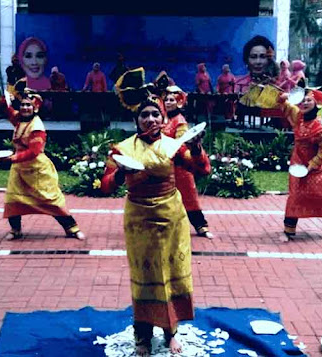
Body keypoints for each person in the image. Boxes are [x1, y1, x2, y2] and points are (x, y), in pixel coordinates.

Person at [102, 68, 211, 356]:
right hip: (139, 220)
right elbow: (104, 186)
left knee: (172, 272)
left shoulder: (174, 146)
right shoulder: (122, 148)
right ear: (135, 120)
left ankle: (171, 330)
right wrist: (118, 174)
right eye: (145, 115)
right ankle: (142, 334)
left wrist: (198, 149)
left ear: (163, 118)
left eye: (155, 115)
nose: (151, 119)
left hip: (172, 218)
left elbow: (201, 170)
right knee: (145, 276)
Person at [0, 93, 86, 240]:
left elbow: (34, 151)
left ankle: (72, 228)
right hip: (19, 169)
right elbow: (6, 109)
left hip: (37, 169)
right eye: (23, 105)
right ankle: (15, 230)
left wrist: (13, 158)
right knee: (13, 198)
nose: (25, 108)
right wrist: (5, 96)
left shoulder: (37, 127)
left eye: (28, 105)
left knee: (50, 199)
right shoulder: (19, 119)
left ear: (35, 108)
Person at [275, 88, 322, 243]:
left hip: (320, 167)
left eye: (309, 100)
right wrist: (282, 98)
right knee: (296, 196)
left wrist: (309, 168)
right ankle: (288, 230)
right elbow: (283, 104)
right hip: (298, 161)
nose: (305, 103)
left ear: (317, 104)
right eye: (303, 100)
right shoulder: (298, 117)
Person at [162, 85, 214, 239]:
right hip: (166, 166)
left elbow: (182, 144)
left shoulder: (180, 121)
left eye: (172, 100)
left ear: (179, 102)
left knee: (189, 197)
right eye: (166, 100)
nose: (168, 103)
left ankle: (201, 226)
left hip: (180, 165)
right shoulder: (164, 119)